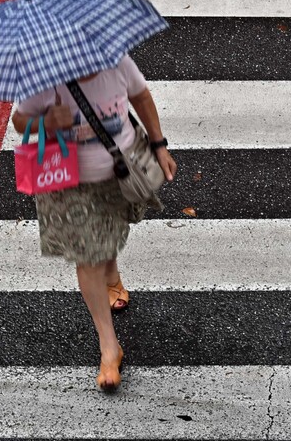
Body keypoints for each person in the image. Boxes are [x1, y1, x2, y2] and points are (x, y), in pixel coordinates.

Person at [12, 54, 176, 391]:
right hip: (73, 182)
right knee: (89, 255)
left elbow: (141, 96)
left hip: (123, 172)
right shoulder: (45, 75)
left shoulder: (117, 63)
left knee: (109, 238)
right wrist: (46, 124)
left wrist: (159, 145)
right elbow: (19, 121)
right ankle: (109, 348)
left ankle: (111, 273)